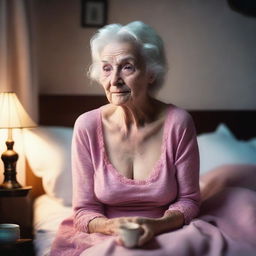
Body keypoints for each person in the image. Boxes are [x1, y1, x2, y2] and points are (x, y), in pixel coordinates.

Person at [50, 21, 200, 256]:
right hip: (103, 234)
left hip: (168, 232)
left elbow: (189, 201)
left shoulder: (179, 123)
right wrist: (111, 226)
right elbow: (84, 210)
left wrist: (157, 225)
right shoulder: (87, 126)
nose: (114, 80)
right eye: (107, 68)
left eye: (127, 67)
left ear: (151, 72)